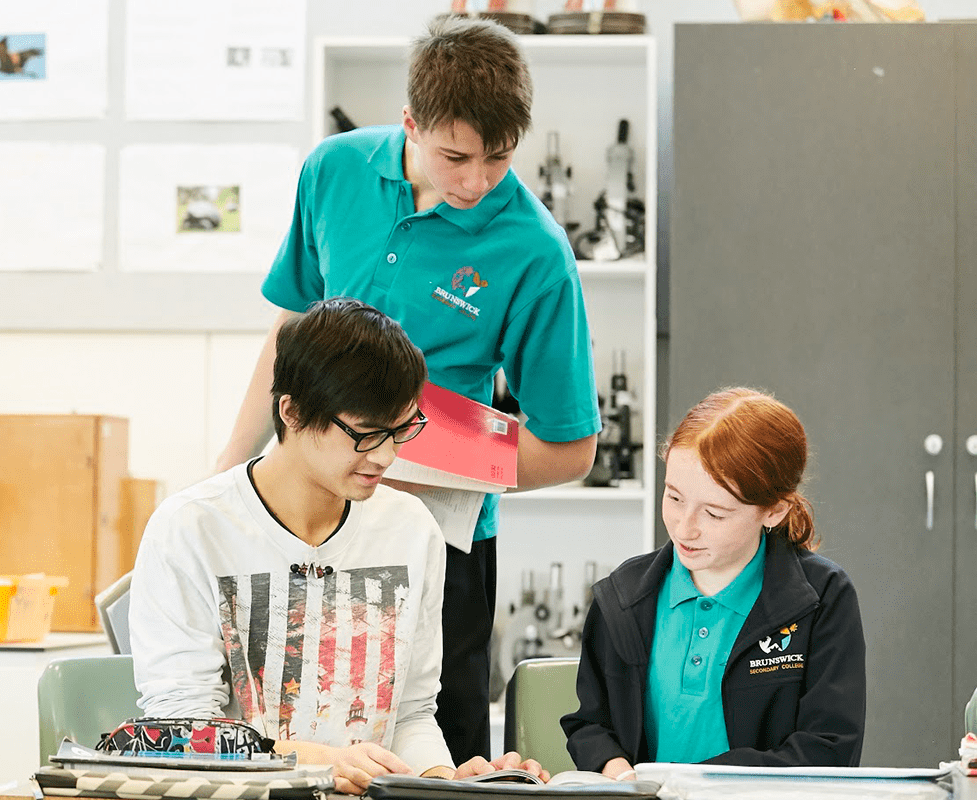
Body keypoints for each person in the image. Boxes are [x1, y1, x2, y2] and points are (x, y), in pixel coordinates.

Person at [214, 14, 600, 763]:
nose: (478, 181)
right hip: (297, 526)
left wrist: (421, 465)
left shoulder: (536, 250)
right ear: (409, 123)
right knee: (291, 745)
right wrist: (231, 467)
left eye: (499, 158)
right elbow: (288, 334)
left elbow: (571, 447)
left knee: (434, 755)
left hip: (438, 550)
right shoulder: (331, 171)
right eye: (456, 156)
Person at [132, 298, 547, 794]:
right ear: (292, 412)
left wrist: (445, 781)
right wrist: (322, 762)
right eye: (367, 434)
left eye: (401, 430)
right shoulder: (191, 529)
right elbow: (182, 733)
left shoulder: (411, 529)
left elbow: (412, 713)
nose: (388, 456)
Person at [561, 388, 866, 773]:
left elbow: (828, 748)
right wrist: (617, 771)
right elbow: (590, 723)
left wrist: (701, 786)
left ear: (774, 511)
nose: (684, 529)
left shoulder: (823, 599)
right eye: (673, 498)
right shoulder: (621, 596)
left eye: (715, 514)